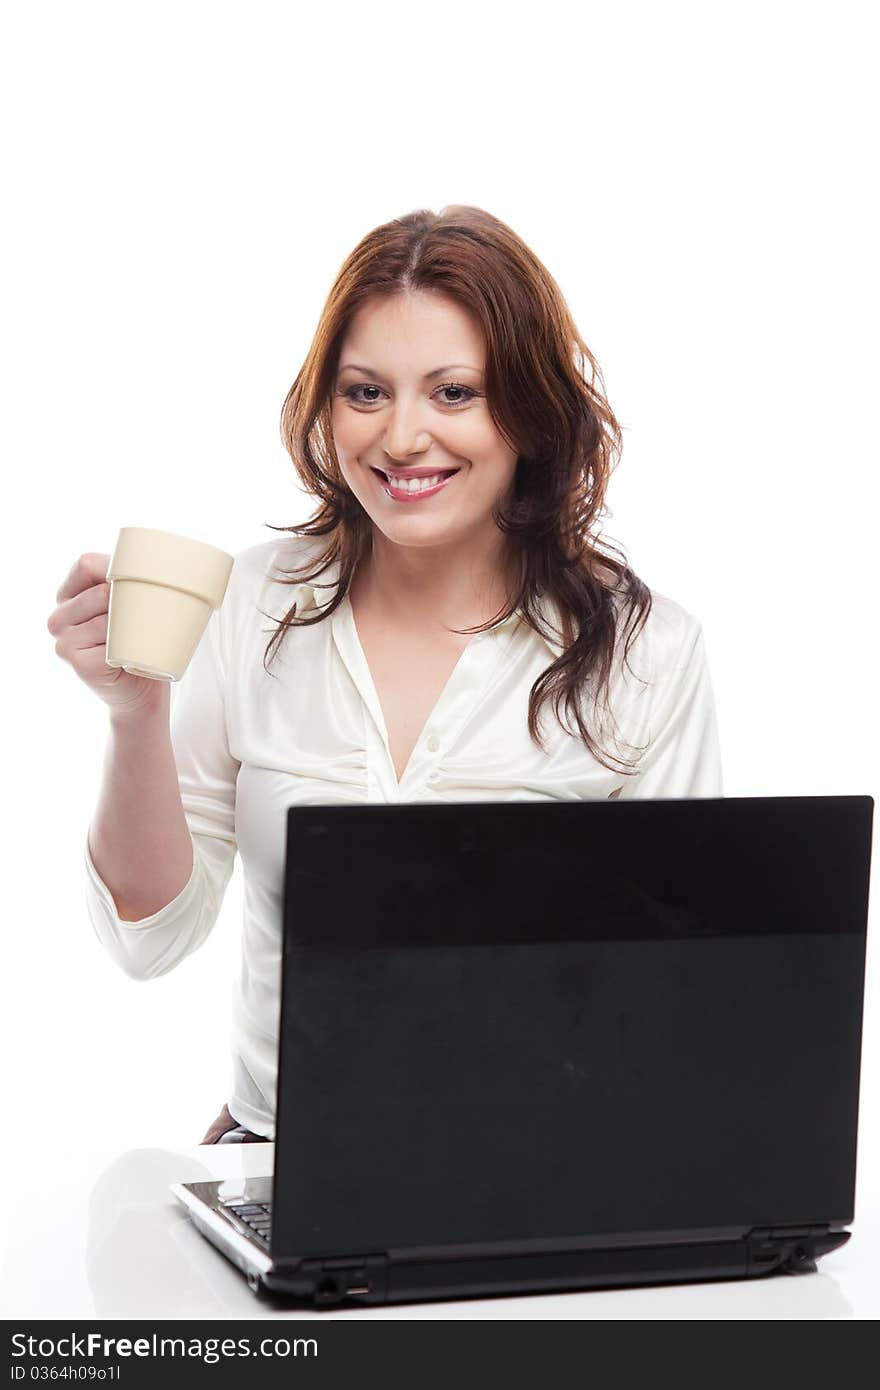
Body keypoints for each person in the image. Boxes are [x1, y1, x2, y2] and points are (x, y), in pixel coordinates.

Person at [47, 205, 724, 1145]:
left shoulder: (647, 648)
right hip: (279, 1156)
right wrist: (135, 714)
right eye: (366, 392)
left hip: (538, 1159)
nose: (402, 438)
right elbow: (151, 939)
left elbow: (673, 987)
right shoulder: (252, 602)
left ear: (529, 410)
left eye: (454, 393)